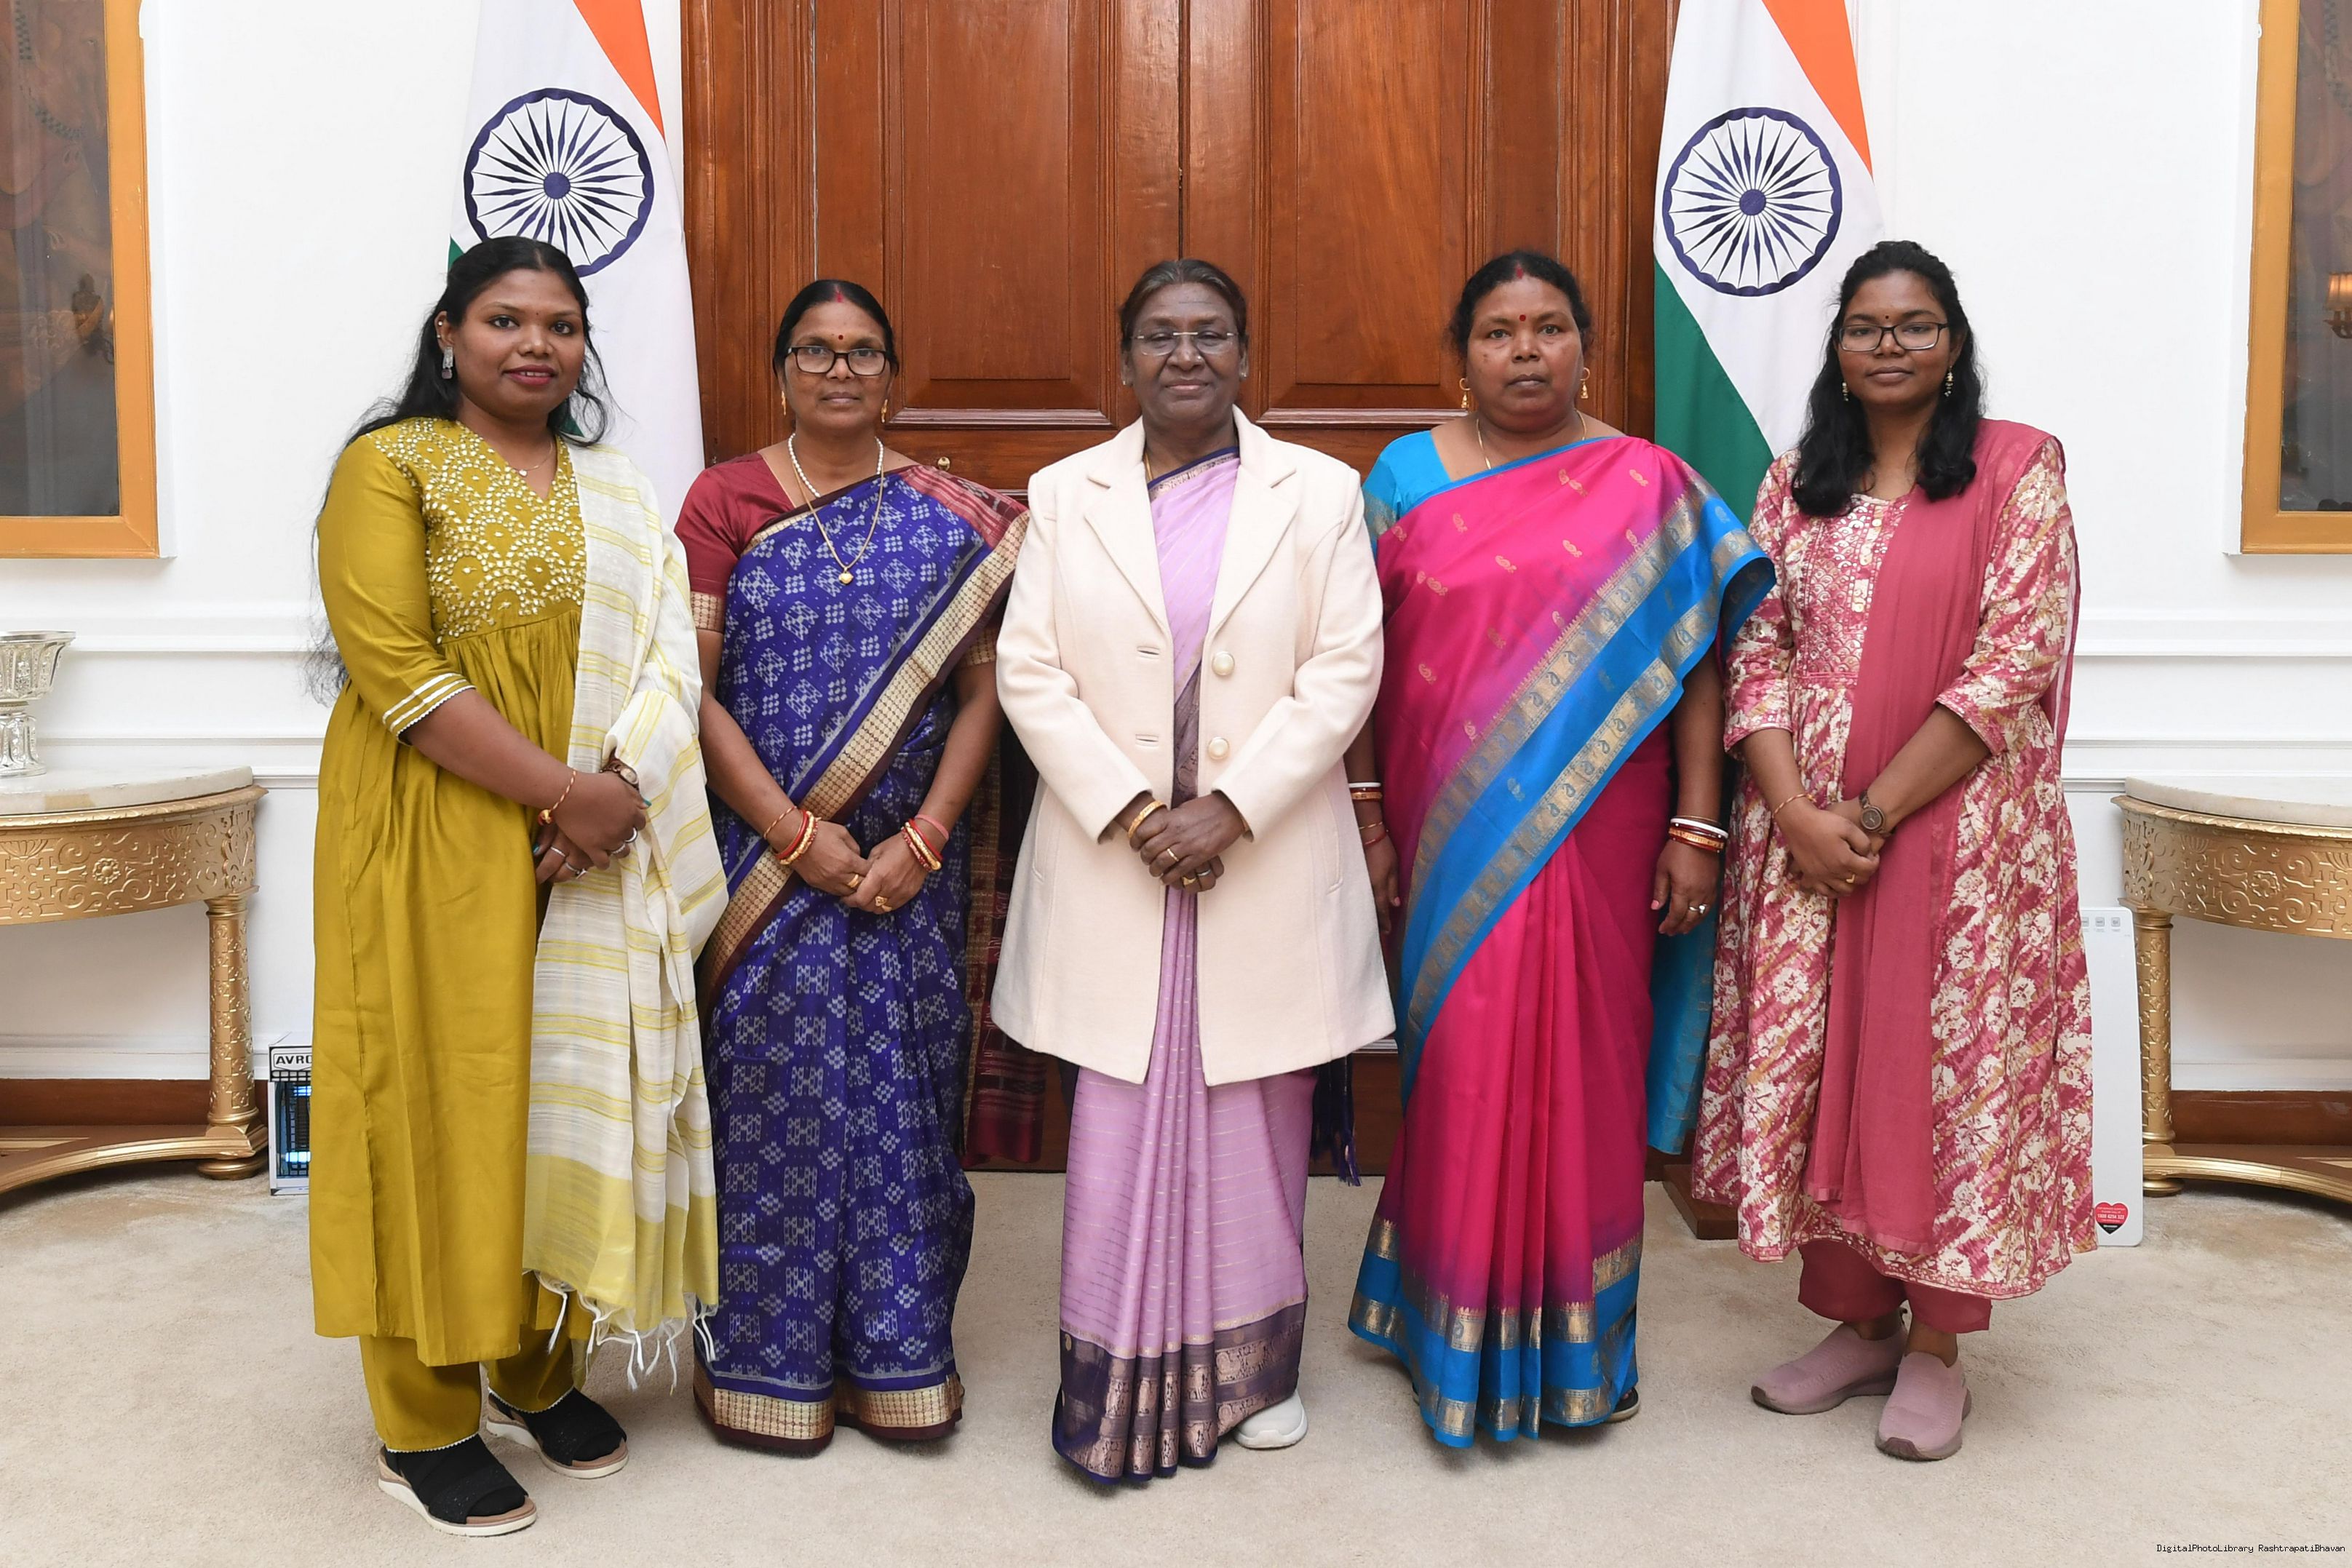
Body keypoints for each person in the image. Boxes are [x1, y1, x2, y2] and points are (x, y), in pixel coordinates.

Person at [312, 236, 714, 1536]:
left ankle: (537, 1369)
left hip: (591, 826)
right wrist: (563, 795)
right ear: (449, 334)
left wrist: (610, 797)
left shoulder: (616, 488)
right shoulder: (391, 467)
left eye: (560, 324)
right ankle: (423, 1413)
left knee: (564, 1087)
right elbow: (396, 667)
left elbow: (667, 655)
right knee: (436, 1099)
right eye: (504, 320)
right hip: (434, 821)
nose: (535, 344)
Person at [1343, 250, 1771, 1445]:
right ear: (1462, 354)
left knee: (1586, 1072)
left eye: (1548, 327)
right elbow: (1354, 662)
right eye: (1498, 331)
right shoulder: (1403, 476)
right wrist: (1368, 813)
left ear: (1585, 345)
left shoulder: (1651, 483)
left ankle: (1584, 1347)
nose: (1525, 350)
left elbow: (1698, 664)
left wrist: (1699, 825)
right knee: (1462, 1065)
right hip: (1447, 832)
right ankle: (1442, 1327)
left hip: (1607, 828)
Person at [1693, 239, 2092, 1462]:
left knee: (1938, 1075)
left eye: (1916, 325)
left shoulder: (2017, 470)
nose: (1890, 345)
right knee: (1827, 1069)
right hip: (1801, 834)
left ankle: (1936, 1349)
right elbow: (1753, 644)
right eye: (1866, 326)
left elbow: (2014, 662)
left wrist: (1863, 819)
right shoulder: (1794, 481)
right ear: (1838, 348)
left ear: (1953, 344)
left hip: (1958, 839)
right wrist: (1795, 816)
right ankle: (1858, 1324)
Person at [994, 258, 1391, 1481]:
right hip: (1118, 859)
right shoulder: (1064, 494)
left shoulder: (1320, 492)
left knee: (1257, 1113)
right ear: (1126, 360)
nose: (1186, 355)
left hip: (1258, 856)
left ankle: (1255, 1374)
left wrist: (1230, 808)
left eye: (1210, 332)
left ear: (1245, 353)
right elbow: (1028, 673)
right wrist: (1133, 812)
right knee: (1119, 1111)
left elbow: (1344, 669)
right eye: (1161, 335)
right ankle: (1115, 1366)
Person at [677, 279, 1028, 1454]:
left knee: (901, 1117)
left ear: (893, 377)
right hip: (766, 869)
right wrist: (793, 834)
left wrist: (924, 838)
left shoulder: (953, 516)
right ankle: (764, 1368)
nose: (839, 371)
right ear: (781, 372)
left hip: (906, 877)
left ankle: (900, 1363)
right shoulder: (724, 499)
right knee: (769, 1109)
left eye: (863, 352)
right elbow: (694, 694)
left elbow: (983, 696)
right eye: (816, 351)